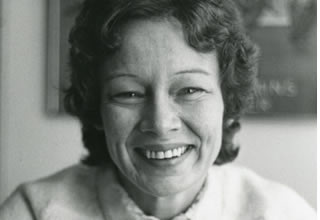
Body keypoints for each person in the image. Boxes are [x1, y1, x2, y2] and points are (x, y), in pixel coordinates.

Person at [0, 0, 316, 219]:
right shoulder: (32, 212)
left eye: (190, 90)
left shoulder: (283, 213)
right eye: (129, 93)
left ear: (228, 102)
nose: (161, 124)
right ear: (97, 108)